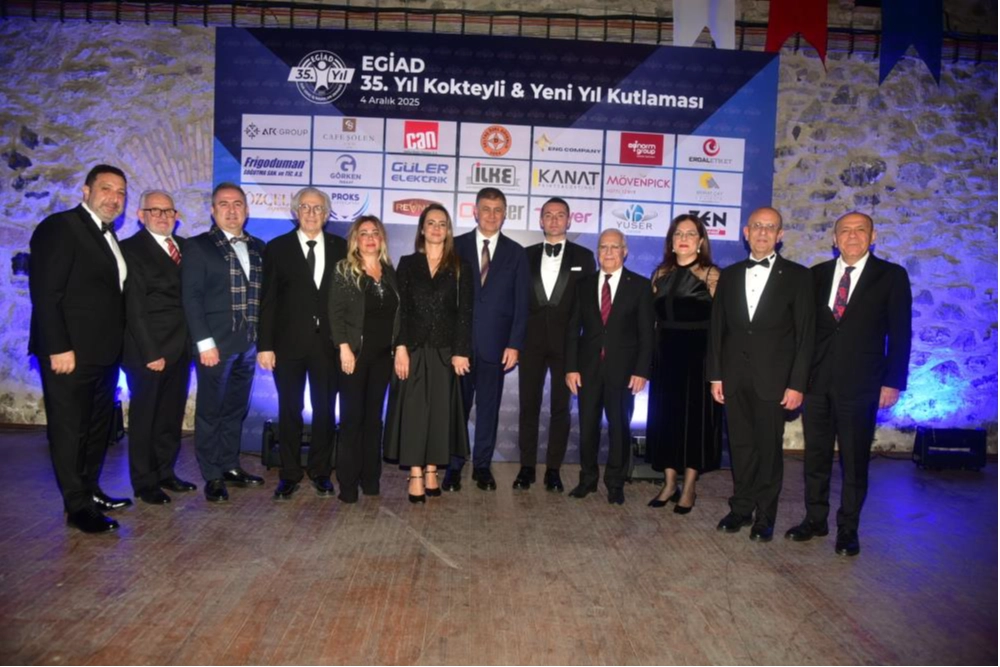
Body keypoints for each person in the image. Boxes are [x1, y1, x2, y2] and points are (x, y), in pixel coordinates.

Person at [786, 212, 911, 557]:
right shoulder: (816, 275)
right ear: (834, 238)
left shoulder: (891, 276)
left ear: (873, 237)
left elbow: (901, 333)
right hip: (817, 383)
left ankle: (848, 529)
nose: (852, 236)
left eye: (860, 230)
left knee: (854, 461)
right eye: (845, 231)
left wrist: (892, 382)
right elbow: (804, 332)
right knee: (816, 456)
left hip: (862, 384)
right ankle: (815, 519)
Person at [29, 164, 131, 533]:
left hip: (104, 355)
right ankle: (76, 506)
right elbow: (46, 293)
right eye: (106, 189)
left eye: (121, 193)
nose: (114, 198)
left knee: (95, 428)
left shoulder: (108, 234)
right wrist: (58, 347)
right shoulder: (61, 227)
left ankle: (90, 491)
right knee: (70, 430)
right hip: (69, 354)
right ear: (85, 191)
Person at [708, 207, 815, 542]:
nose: (763, 232)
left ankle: (765, 517)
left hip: (775, 381)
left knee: (768, 451)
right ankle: (741, 508)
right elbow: (717, 329)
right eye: (757, 226)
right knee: (741, 448)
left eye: (770, 227)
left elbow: (806, 336)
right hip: (734, 378)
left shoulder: (799, 277)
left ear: (780, 235)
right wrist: (716, 376)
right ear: (746, 232)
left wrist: (797, 384)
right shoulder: (729, 275)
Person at [257, 187, 346, 501]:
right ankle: (290, 473)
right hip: (287, 346)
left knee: (325, 410)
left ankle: (321, 472)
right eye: (305, 207)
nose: (311, 213)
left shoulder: (341, 247)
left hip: (327, 346)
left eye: (317, 208)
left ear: (327, 214)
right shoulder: (277, 248)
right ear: (296, 212)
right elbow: (268, 300)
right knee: (289, 410)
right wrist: (265, 345)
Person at [181, 182, 267, 502]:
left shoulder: (259, 247)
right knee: (210, 410)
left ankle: (230, 465)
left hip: (248, 344)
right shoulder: (197, 246)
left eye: (237, 204)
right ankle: (212, 474)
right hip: (214, 346)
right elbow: (191, 297)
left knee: (235, 409)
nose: (232, 210)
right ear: (213, 210)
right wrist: (204, 343)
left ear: (247, 210)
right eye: (224, 204)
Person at [383, 205, 472, 502]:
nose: (436, 228)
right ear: (422, 229)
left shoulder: (460, 266)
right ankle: (416, 473)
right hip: (413, 349)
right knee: (414, 414)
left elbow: (465, 313)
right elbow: (401, 309)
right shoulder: (408, 264)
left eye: (442, 224)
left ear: (448, 230)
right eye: (430, 223)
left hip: (445, 352)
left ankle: (432, 470)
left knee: (439, 414)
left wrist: (461, 352)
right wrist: (400, 347)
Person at [447, 187, 529, 491]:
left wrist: (515, 344)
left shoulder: (516, 253)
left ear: (505, 214)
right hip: (460, 347)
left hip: (496, 347)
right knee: (456, 409)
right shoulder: (455, 247)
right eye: (486, 209)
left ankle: (482, 467)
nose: (491, 215)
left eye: (497, 210)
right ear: (475, 212)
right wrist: (452, 344)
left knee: (489, 410)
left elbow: (522, 303)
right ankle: (453, 466)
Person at [565, 229, 653, 505]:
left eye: (615, 247)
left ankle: (615, 483)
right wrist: (571, 367)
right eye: (604, 247)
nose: (609, 252)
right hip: (587, 370)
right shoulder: (583, 284)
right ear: (597, 252)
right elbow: (572, 329)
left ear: (625, 251)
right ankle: (587, 479)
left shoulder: (639, 286)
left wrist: (641, 370)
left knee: (620, 429)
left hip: (624, 372)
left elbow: (646, 334)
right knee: (587, 427)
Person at [120, 189, 196, 505]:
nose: (163, 216)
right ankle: (144, 481)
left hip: (181, 348)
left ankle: (165, 471)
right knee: (145, 418)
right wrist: (150, 352)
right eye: (155, 211)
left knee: (169, 415)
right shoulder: (130, 250)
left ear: (176, 216)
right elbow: (134, 307)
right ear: (141, 216)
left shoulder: (186, 248)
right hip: (148, 351)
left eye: (168, 211)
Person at [516, 197, 595, 492]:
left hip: (568, 345)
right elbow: (516, 300)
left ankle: (553, 470)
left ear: (569, 220)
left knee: (561, 408)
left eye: (560, 215)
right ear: (540, 220)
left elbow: (588, 305)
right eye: (548, 215)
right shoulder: (525, 255)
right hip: (530, 342)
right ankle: (526, 467)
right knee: (528, 406)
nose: (553, 220)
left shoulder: (584, 256)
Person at [645, 214, 722, 514]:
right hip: (665, 357)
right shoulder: (659, 274)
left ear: (701, 241)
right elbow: (652, 320)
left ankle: (689, 487)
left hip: (698, 358)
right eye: (678, 233)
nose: (684, 238)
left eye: (691, 234)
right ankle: (668, 483)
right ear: (671, 241)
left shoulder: (712, 275)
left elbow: (721, 324)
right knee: (665, 420)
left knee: (694, 423)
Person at [328, 216, 399, 503]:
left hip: (383, 359)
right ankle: (347, 485)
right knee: (351, 421)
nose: (370, 238)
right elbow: (335, 313)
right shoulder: (344, 270)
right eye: (364, 233)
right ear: (355, 240)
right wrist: (344, 348)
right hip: (354, 357)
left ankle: (371, 480)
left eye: (375, 233)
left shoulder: (390, 271)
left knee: (373, 421)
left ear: (382, 239)